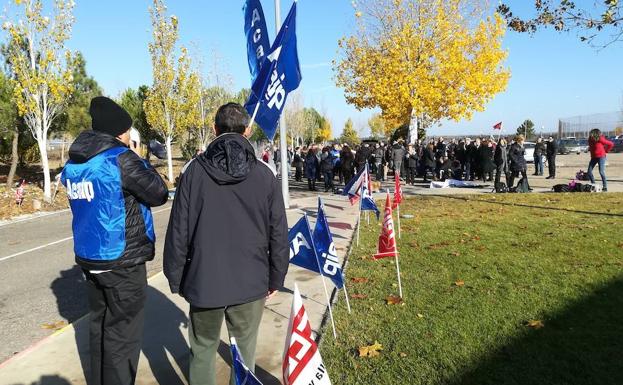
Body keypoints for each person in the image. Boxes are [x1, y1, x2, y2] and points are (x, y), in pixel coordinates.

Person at [163, 103, 289, 385]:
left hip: (205, 279)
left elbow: (178, 231)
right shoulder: (264, 174)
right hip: (251, 279)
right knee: (244, 352)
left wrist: (176, 277)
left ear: (214, 129)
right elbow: (279, 232)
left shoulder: (194, 172)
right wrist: (276, 276)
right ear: (248, 130)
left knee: (203, 350)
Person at [61, 96, 169, 385]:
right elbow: (158, 193)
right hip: (121, 260)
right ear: (120, 132)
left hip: (90, 257)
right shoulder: (119, 158)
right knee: (122, 338)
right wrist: (138, 156)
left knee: (99, 330)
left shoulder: (75, 163)